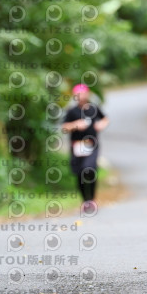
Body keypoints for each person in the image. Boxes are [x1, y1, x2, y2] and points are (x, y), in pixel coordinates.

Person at [61, 84, 109, 215]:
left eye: (83, 94)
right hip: (77, 146)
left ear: (88, 94)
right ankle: (85, 201)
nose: (80, 96)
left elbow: (105, 119)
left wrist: (101, 124)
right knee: (80, 172)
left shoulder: (94, 108)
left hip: (92, 145)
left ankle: (92, 199)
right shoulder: (72, 111)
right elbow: (64, 127)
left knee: (90, 169)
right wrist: (75, 125)